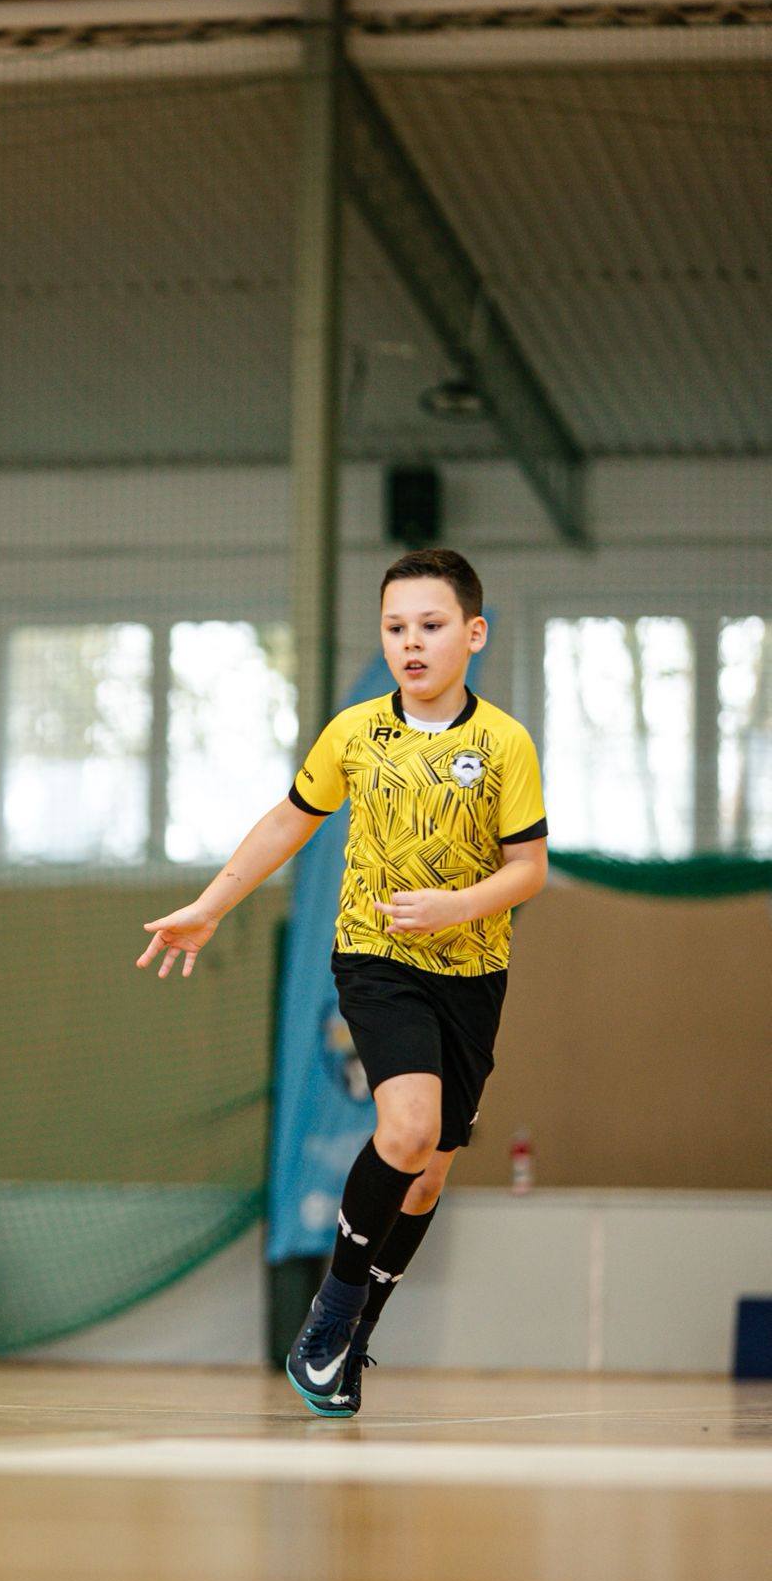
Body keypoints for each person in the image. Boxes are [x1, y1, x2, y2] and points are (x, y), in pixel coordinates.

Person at [138, 548, 548, 1417]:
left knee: (428, 1176)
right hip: (375, 959)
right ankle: (329, 1314)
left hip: (472, 974)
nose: (411, 642)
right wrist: (211, 905)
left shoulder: (504, 742)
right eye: (396, 627)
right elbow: (288, 820)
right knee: (407, 1128)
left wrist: (457, 906)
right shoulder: (354, 733)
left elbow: (529, 869)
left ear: (473, 634)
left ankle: (353, 1340)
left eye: (431, 625)